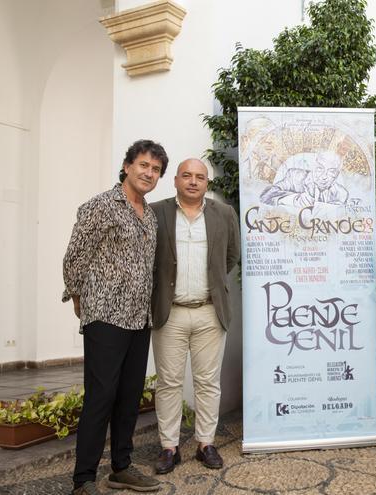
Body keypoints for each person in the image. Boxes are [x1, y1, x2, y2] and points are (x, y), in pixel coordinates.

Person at [62, 139, 168, 495]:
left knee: (129, 396)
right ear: (127, 166)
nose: (148, 173)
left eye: (155, 170)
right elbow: (74, 258)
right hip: (106, 315)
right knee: (100, 396)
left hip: (140, 318)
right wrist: (81, 300)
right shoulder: (101, 206)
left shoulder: (149, 215)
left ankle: (122, 467)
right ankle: (83, 480)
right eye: (143, 165)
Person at [150, 158, 240, 474]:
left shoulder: (224, 214)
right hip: (170, 313)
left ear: (207, 184)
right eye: (186, 175)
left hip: (208, 313)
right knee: (169, 383)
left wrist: (212, 286)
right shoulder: (156, 211)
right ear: (175, 180)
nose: (193, 181)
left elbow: (231, 257)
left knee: (207, 382)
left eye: (200, 177)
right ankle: (169, 448)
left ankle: (205, 444)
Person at [260, 151, 349, 206]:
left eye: (331, 171)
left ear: (337, 174)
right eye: (319, 169)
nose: (324, 176)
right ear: (313, 167)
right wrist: (293, 200)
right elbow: (265, 195)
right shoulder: (295, 176)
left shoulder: (341, 194)